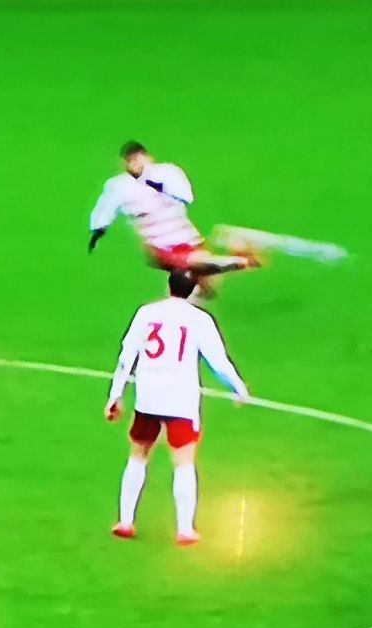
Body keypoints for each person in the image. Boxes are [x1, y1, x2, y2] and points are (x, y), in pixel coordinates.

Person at [104, 270, 251, 545]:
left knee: (138, 456)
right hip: (181, 400)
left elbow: (126, 356)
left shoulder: (146, 313)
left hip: (148, 397)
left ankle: (125, 521)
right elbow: (218, 361)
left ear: (168, 285)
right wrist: (238, 387)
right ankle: (185, 529)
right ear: (193, 289)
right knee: (184, 462)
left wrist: (115, 395)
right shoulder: (200, 319)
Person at [87, 141, 258, 292]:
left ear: (148, 158)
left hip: (188, 237)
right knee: (200, 264)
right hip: (161, 245)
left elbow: (187, 197)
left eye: (138, 159)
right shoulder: (118, 186)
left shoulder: (169, 172)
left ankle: (236, 255)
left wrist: (161, 188)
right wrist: (98, 230)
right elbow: (105, 207)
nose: (135, 164)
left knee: (204, 289)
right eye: (130, 160)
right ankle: (241, 260)